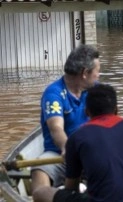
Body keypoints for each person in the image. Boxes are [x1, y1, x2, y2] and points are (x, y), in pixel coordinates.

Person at [32, 84, 123, 202]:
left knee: (40, 192)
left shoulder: (77, 137)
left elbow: (71, 188)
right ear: (116, 109)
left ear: (87, 111)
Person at [31, 44, 101, 195]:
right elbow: (56, 128)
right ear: (84, 73)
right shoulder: (54, 93)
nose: (98, 76)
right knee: (39, 171)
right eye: (97, 72)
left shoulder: (97, 91)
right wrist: (68, 148)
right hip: (59, 154)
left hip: (91, 152)